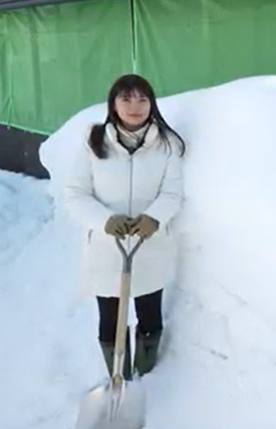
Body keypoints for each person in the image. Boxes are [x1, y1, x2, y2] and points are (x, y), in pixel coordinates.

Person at [63, 74, 185, 380]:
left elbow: (172, 193)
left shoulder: (167, 145)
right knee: (110, 317)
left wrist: (154, 217)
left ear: (152, 104)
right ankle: (119, 376)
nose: (135, 106)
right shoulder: (94, 141)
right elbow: (76, 194)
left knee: (149, 314)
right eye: (126, 98)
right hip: (107, 248)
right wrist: (105, 220)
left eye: (143, 99)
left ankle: (145, 372)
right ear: (113, 104)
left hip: (149, 245)